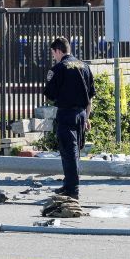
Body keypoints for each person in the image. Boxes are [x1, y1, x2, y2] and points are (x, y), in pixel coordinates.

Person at [43, 37, 96, 200]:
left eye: (54, 54)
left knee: (69, 152)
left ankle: (72, 190)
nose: (54, 57)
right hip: (81, 114)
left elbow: (49, 95)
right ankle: (68, 185)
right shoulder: (84, 66)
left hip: (66, 114)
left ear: (58, 51)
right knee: (75, 152)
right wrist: (86, 118)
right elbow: (90, 98)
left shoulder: (59, 68)